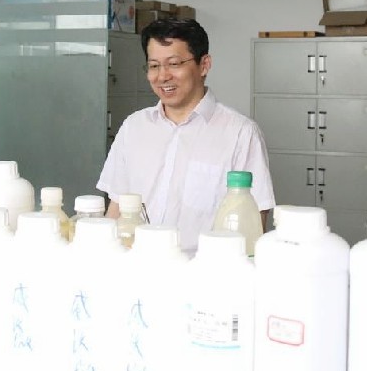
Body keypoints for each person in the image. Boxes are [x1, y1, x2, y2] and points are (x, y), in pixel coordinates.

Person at [97, 17, 275, 253]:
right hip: (136, 265)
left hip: (202, 270)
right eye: (154, 66)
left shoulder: (241, 134)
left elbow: (253, 225)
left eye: (174, 63)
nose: (163, 76)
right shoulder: (134, 127)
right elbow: (116, 207)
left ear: (204, 65)